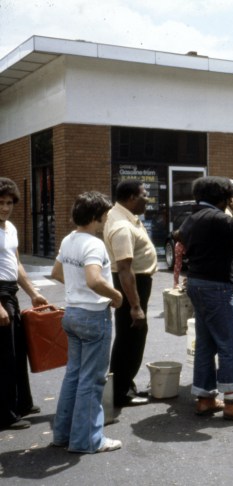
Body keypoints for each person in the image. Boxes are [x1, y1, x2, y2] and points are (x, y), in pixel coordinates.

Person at [180, 176, 233, 420]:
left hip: (197, 284)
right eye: (231, 196)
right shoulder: (217, 217)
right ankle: (231, 401)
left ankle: (205, 398)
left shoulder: (191, 218)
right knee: (229, 344)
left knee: (206, 344)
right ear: (224, 197)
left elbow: (181, 237)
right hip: (216, 287)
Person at [50, 192, 124, 453]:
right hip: (93, 315)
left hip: (72, 314)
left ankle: (63, 433)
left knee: (74, 375)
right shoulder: (93, 244)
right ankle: (88, 440)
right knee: (92, 380)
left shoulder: (69, 240)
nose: (105, 219)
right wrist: (115, 295)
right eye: (103, 215)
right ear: (95, 217)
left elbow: (56, 272)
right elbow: (94, 280)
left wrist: (76, 288)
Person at [103, 180, 157, 407]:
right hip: (131, 285)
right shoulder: (122, 226)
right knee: (131, 337)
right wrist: (135, 306)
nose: (148, 199)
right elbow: (125, 269)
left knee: (128, 336)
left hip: (135, 283)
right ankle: (121, 392)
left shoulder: (124, 216)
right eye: (145, 194)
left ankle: (123, 386)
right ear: (132, 197)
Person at [0, 178, 48, 431]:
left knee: (19, 350)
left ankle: (22, 403)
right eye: (1, 202)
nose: (5, 207)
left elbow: (16, 265)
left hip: (10, 291)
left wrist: (33, 293)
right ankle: (4, 414)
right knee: (4, 355)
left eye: (9, 203)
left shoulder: (10, 228)